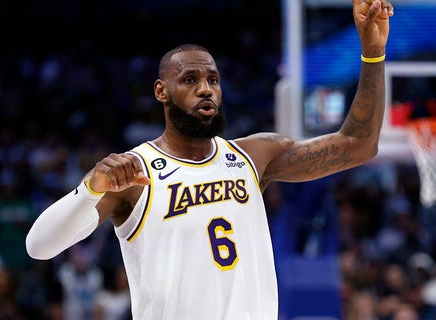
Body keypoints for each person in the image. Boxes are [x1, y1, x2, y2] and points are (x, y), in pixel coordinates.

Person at [26, 0, 394, 318]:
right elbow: (39, 247)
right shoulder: (135, 172)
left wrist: (373, 55)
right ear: (161, 91)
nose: (205, 89)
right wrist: (90, 189)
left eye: (213, 80)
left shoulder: (254, 155)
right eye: (189, 80)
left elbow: (358, 145)